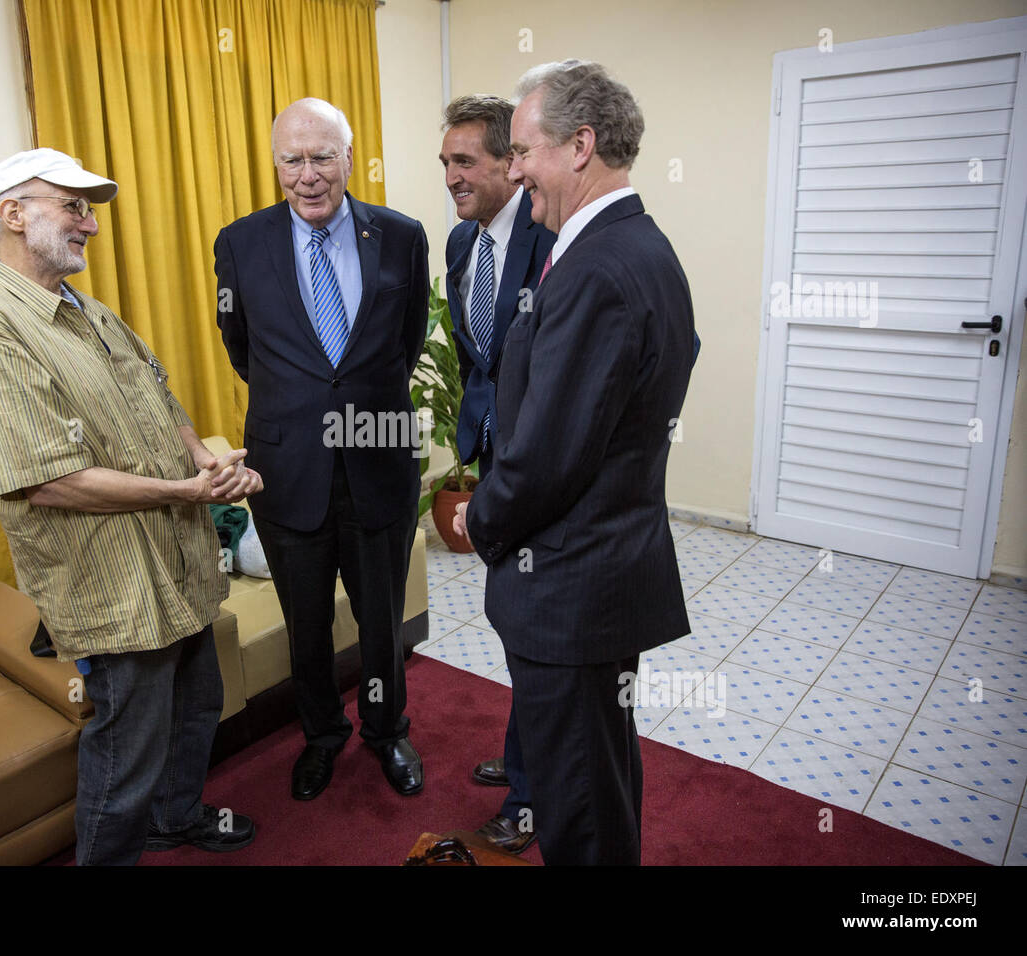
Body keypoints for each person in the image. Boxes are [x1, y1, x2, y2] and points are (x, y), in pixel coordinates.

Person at [0, 148, 261, 866]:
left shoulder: (92, 313)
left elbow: (161, 401)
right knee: (125, 761)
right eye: (73, 206)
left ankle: (176, 821)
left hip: (175, 565)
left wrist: (205, 461)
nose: (90, 223)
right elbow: (47, 481)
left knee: (197, 709)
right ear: (14, 215)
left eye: (90, 209)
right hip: (113, 589)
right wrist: (186, 493)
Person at [454, 61, 696, 865]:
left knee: (578, 803)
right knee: (595, 771)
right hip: (602, 569)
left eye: (523, 150)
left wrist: (477, 517)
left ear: (581, 145)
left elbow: (549, 457)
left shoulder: (598, 267)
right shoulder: (639, 244)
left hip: (573, 584)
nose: (514, 169)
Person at [214, 98, 430, 801]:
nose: (307, 175)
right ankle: (321, 736)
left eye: (322, 157)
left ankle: (386, 730)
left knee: (380, 618)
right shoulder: (239, 244)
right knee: (305, 623)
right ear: (275, 162)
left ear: (348, 155)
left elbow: (404, 341)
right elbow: (242, 349)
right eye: (291, 159)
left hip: (379, 459)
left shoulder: (400, 236)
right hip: (289, 469)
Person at [439, 94, 554, 854]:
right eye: (444, 162)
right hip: (494, 459)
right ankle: (523, 758)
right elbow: (479, 359)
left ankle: (530, 797)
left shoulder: (548, 241)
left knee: (535, 629)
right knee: (512, 622)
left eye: (465, 161)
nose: (451, 175)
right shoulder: (458, 243)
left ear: (512, 163)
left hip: (543, 470)